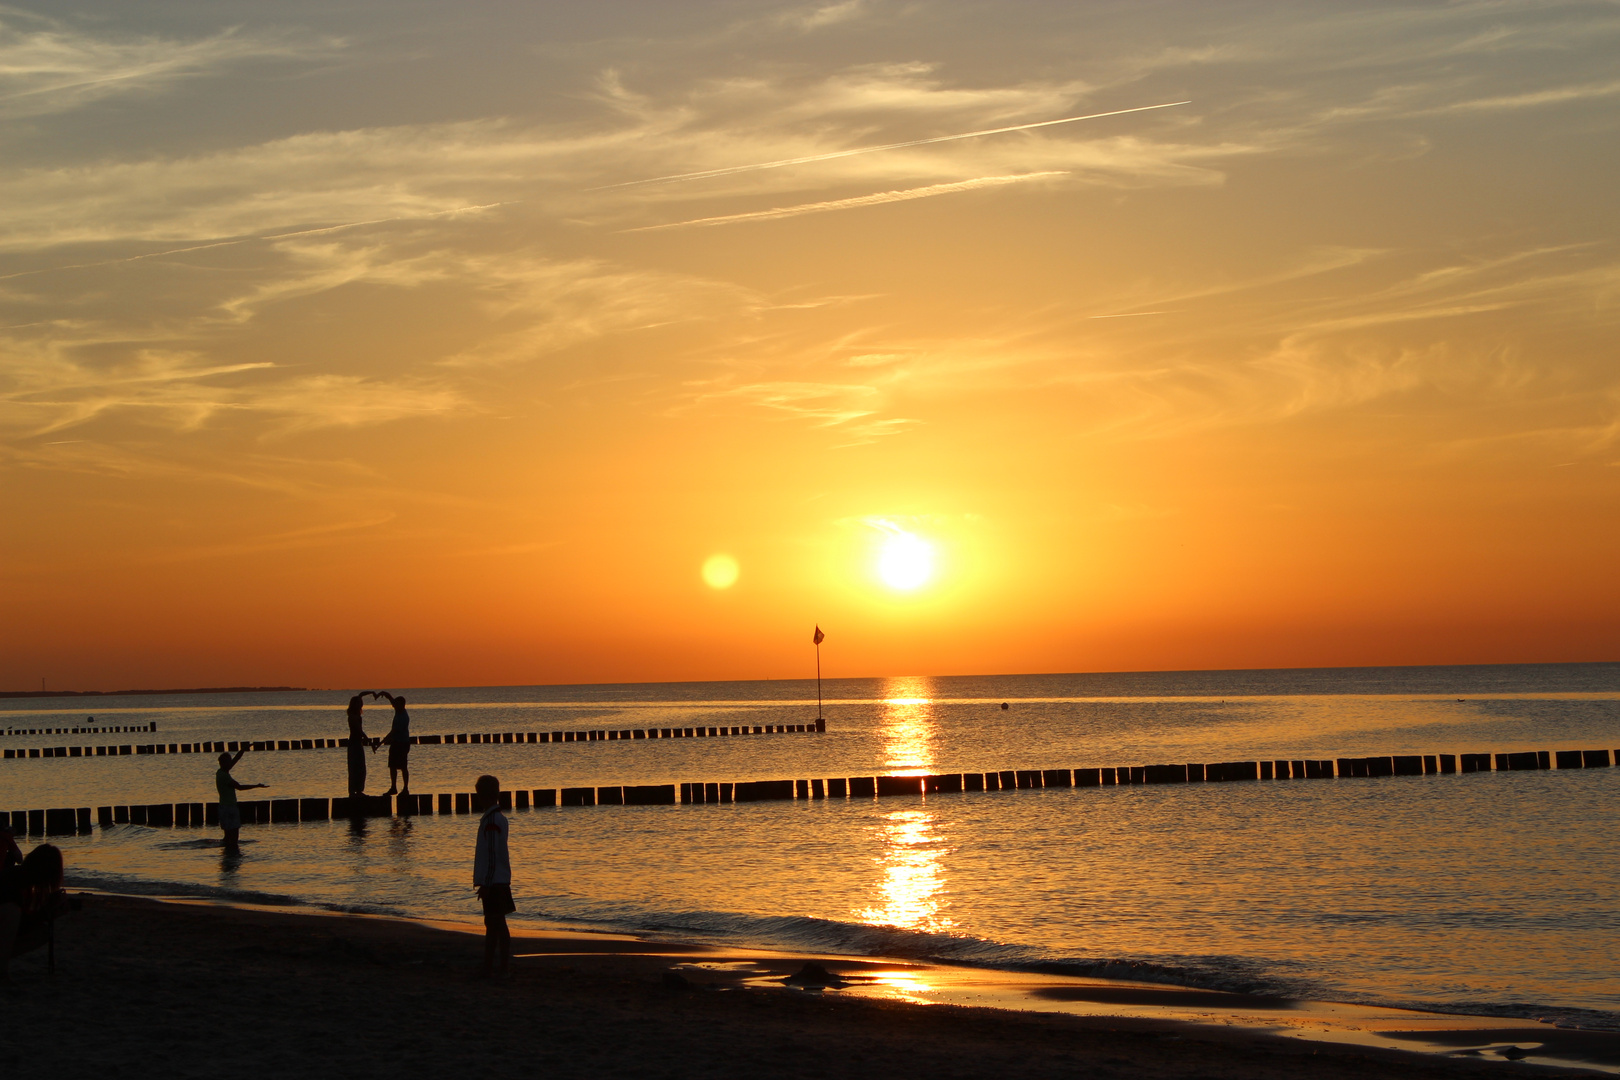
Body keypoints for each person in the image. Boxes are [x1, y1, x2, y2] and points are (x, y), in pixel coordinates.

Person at [1, 843, 64, 980]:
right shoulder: (13, 883)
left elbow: (22, 924)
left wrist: (49, 912)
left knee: (42, 932)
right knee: (12, 912)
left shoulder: (19, 879)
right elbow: (20, 925)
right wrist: (47, 911)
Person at [472, 774, 512, 977]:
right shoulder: (499, 818)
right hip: (499, 879)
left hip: (495, 882)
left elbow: (491, 855)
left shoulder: (492, 821)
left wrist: (485, 883)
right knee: (495, 923)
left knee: (495, 923)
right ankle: (494, 965)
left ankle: (496, 966)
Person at [216, 748, 267, 855]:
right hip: (230, 808)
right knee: (234, 837)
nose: (231, 763)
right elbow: (239, 787)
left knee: (227, 836)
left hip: (224, 807)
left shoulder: (220, 772)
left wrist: (242, 750)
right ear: (224, 763)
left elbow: (235, 760)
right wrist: (256, 786)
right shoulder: (224, 776)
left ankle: (227, 856)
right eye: (229, 761)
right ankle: (232, 857)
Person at [345, 693, 381, 797]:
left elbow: (361, 694)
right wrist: (370, 742)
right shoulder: (352, 716)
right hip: (353, 744)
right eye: (358, 703)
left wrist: (372, 693)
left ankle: (359, 790)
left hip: (358, 743)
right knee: (354, 768)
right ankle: (352, 791)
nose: (360, 705)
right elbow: (359, 731)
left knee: (361, 768)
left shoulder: (357, 714)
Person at [377, 692, 411, 797]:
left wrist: (381, 742)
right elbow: (390, 698)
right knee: (392, 766)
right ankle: (393, 787)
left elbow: (393, 732)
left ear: (402, 705)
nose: (393, 705)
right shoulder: (397, 710)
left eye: (396, 704)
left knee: (403, 766)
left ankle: (405, 788)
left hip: (402, 743)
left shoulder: (403, 717)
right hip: (396, 743)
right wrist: (382, 693)